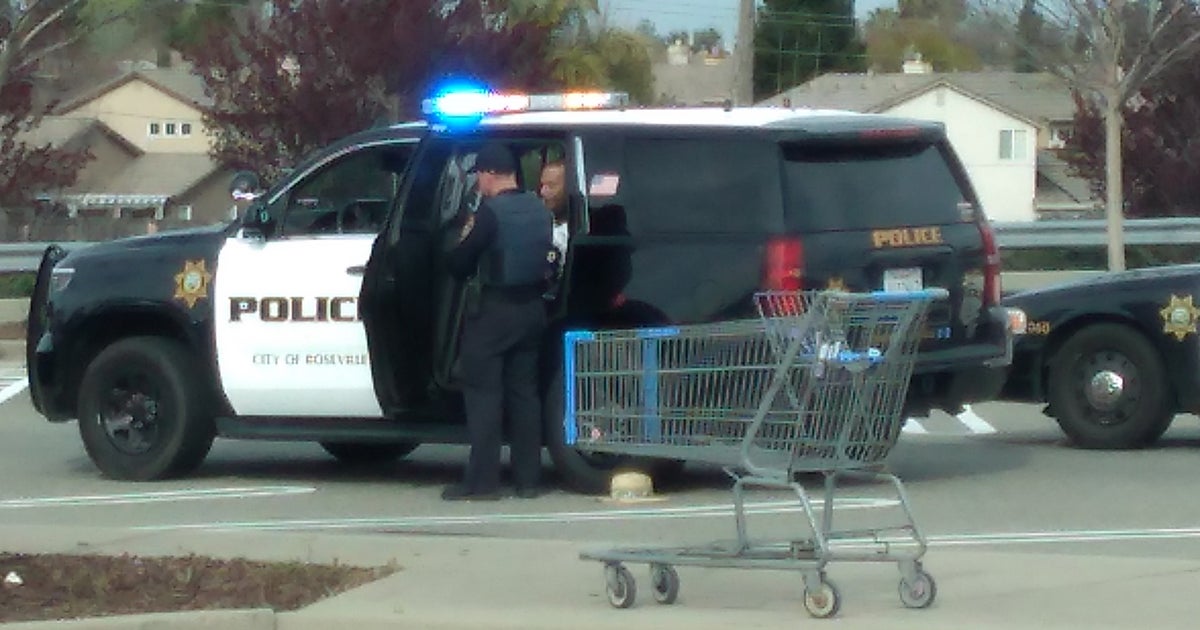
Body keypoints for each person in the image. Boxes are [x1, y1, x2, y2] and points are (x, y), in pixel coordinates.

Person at [443, 142, 554, 501]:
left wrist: (461, 239)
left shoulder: (490, 214)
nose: (478, 184)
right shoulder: (540, 210)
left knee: (484, 396)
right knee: (525, 396)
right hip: (533, 310)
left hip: (495, 313)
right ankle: (528, 480)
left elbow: (460, 265)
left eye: (479, 176)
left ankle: (482, 483)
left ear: (490, 174)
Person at [538, 160, 570, 263]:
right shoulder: (544, 222)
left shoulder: (572, 231)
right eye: (542, 185)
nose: (542, 192)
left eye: (551, 186)